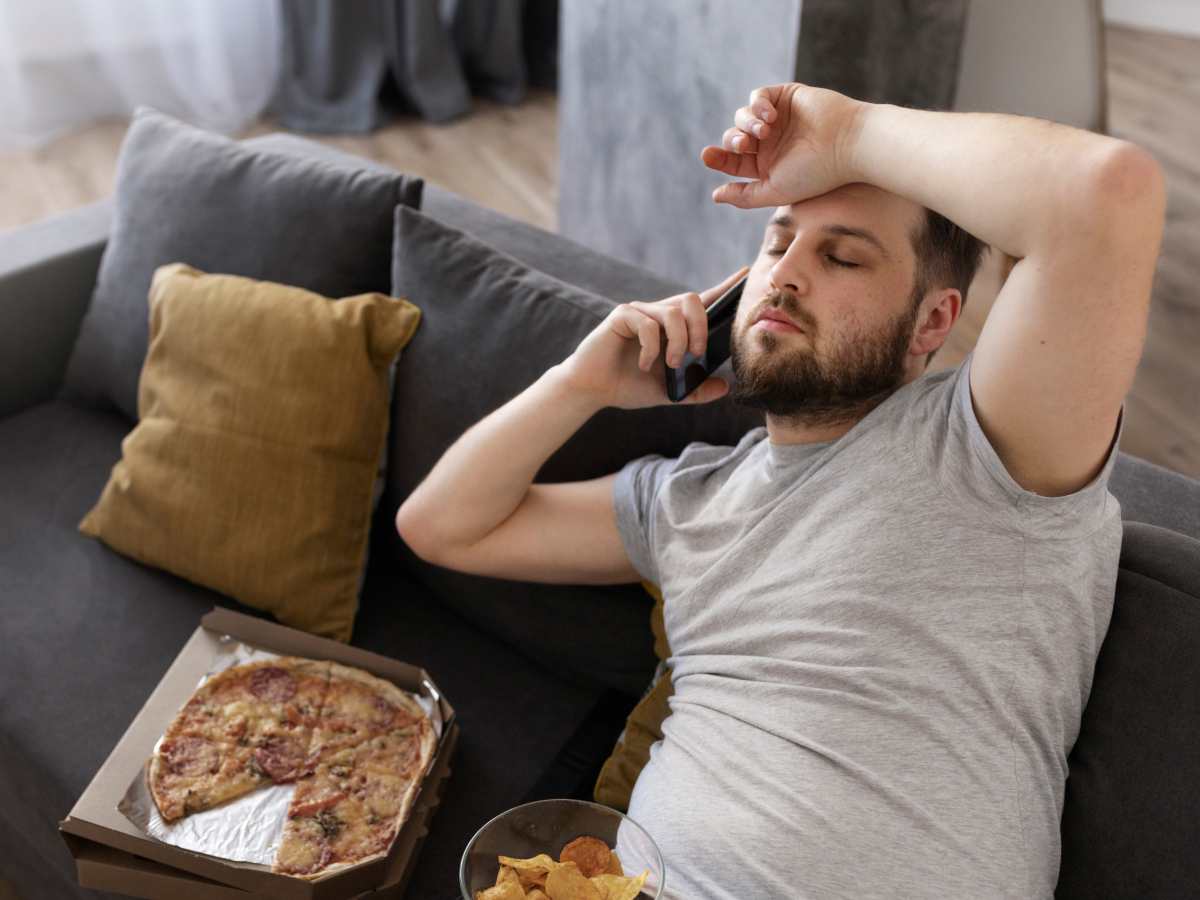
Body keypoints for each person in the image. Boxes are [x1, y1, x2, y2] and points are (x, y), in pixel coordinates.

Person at [395, 83, 1165, 898]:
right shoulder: (686, 500)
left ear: (932, 325)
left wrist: (851, 134)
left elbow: (1107, 193)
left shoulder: (988, 449)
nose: (787, 275)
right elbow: (442, 526)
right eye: (777, 244)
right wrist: (576, 386)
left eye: (841, 256)